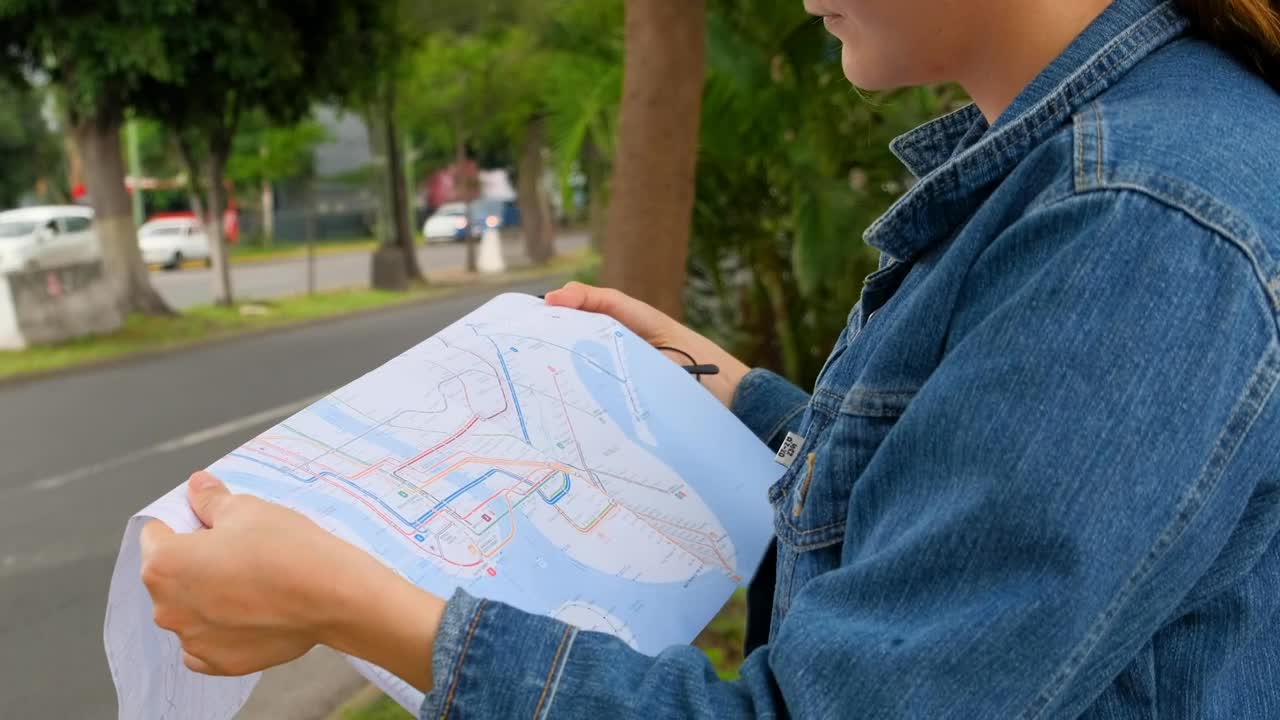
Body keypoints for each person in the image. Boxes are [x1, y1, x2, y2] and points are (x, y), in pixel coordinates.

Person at [139, 0, 1280, 717]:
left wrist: (358, 608)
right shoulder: (1126, 166)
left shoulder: (1139, 220)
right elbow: (972, 513)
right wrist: (739, 400)